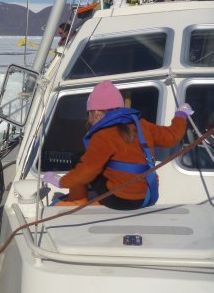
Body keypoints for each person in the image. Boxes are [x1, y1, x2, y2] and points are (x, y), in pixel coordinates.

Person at [42, 81, 191, 210]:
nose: (88, 117)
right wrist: (181, 115)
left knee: (80, 159)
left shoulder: (103, 135)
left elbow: (87, 171)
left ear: (97, 112)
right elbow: (172, 137)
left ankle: (77, 199)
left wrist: (61, 182)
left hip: (120, 201)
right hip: (148, 196)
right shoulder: (142, 125)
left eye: (89, 113)